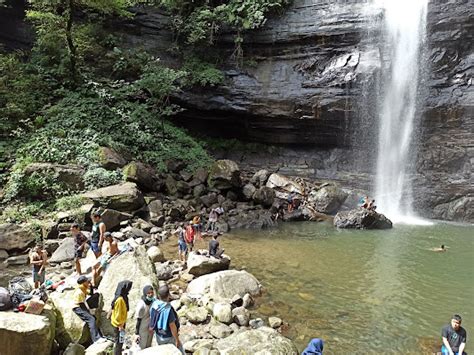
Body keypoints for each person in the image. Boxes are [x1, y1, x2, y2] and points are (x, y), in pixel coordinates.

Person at [150, 285, 184, 354]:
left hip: (158, 335)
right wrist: (177, 339)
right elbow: (172, 326)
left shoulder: (154, 304)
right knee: (180, 351)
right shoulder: (168, 310)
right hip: (168, 336)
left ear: (159, 296)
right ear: (168, 295)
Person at [72, 276, 103, 343]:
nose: (88, 282)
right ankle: (96, 339)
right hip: (78, 307)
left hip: (82, 304)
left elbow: (91, 293)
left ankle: (99, 335)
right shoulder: (79, 292)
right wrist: (89, 312)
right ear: (83, 283)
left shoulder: (83, 288)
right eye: (87, 281)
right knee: (91, 319)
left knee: (96, 295)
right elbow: (81, 304)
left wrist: (91, 285)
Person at [110, 280, 133, 355]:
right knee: (119, 342)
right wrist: (121, 325)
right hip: (119, 324)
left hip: (119, 323)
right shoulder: (120, 300)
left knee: (119, 341)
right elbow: (118, 314)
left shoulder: (121, 296)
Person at [135, 285, 155, 350]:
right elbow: (138, 320)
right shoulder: (141, 305)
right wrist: (137, 333)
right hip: (142, 329)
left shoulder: (153, 301)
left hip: (150, 328)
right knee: (142, 347)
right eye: (148, 293)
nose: (151, 294)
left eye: (152, 292)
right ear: (145, 294)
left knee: (149, 346)